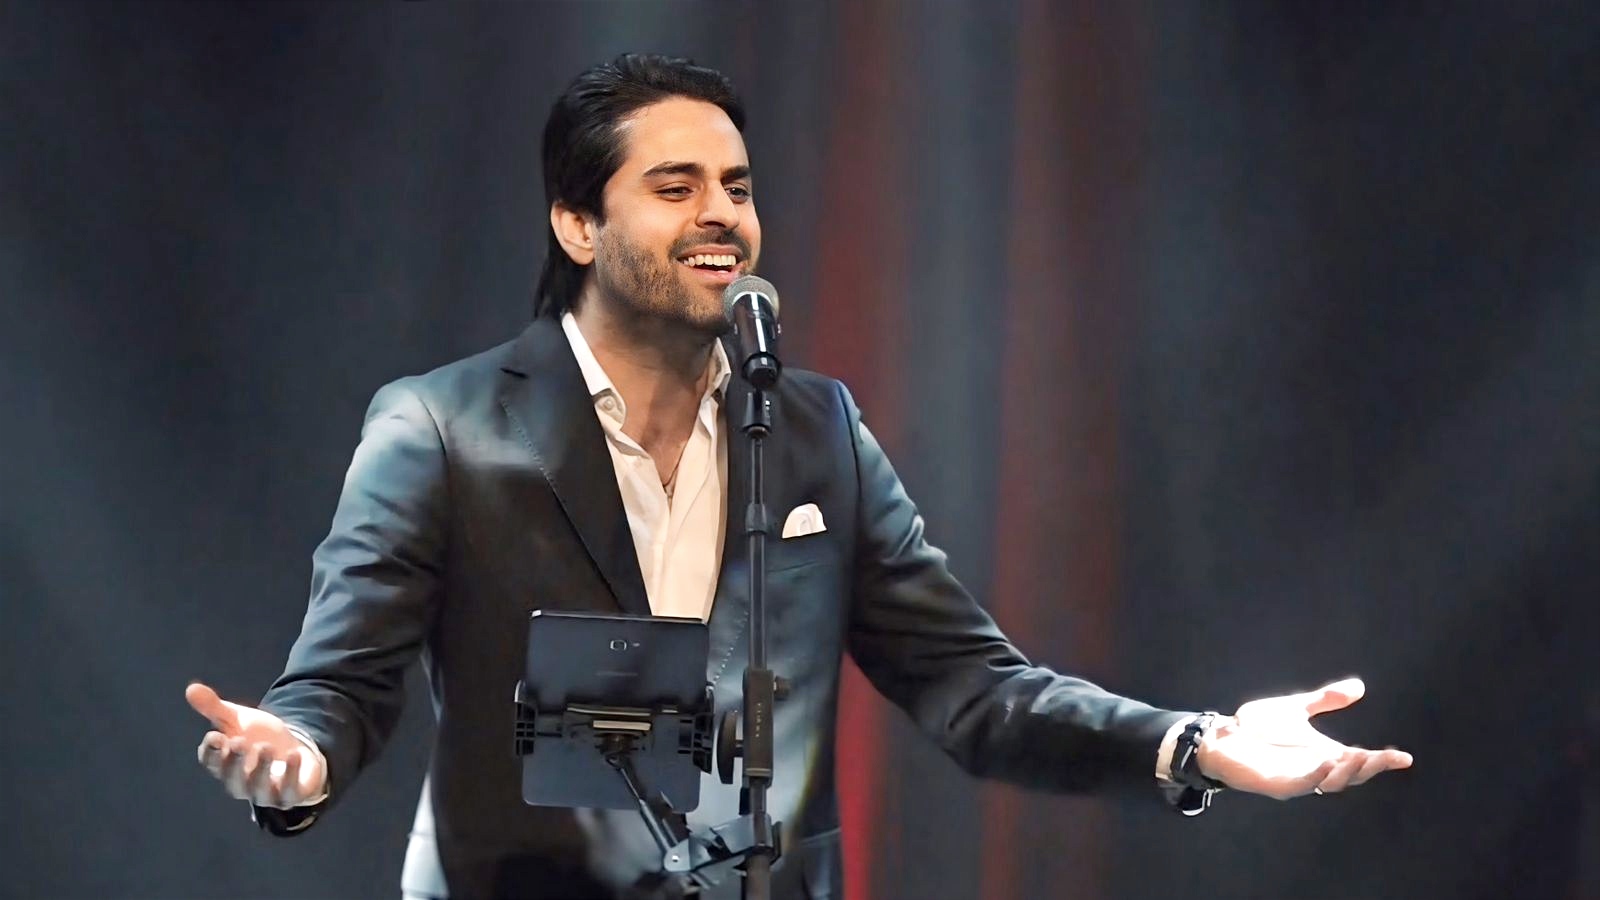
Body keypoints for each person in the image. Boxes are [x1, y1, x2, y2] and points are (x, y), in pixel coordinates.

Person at [186, 54, 1412, 900]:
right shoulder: (441, 426)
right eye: (674, 187)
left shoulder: (812, 427)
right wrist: (294, 756)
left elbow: (973, 690)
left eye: (737, 186)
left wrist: (1201, 745)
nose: (721, 214)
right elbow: (338, 683)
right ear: (576, 224)